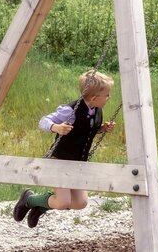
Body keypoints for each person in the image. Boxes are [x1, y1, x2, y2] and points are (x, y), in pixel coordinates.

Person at [12, 69, 116, 229]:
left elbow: (86, 129)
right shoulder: (71, 110)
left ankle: (41, 206)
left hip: (77, 163)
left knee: (81, 203)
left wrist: (102, 128)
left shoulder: (96, 110)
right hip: (60, 160)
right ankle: (30, 199)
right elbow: (43, 121)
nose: (109, 97)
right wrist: (56, 127)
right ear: (94, 98)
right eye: (107, 95)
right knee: (62, 202)